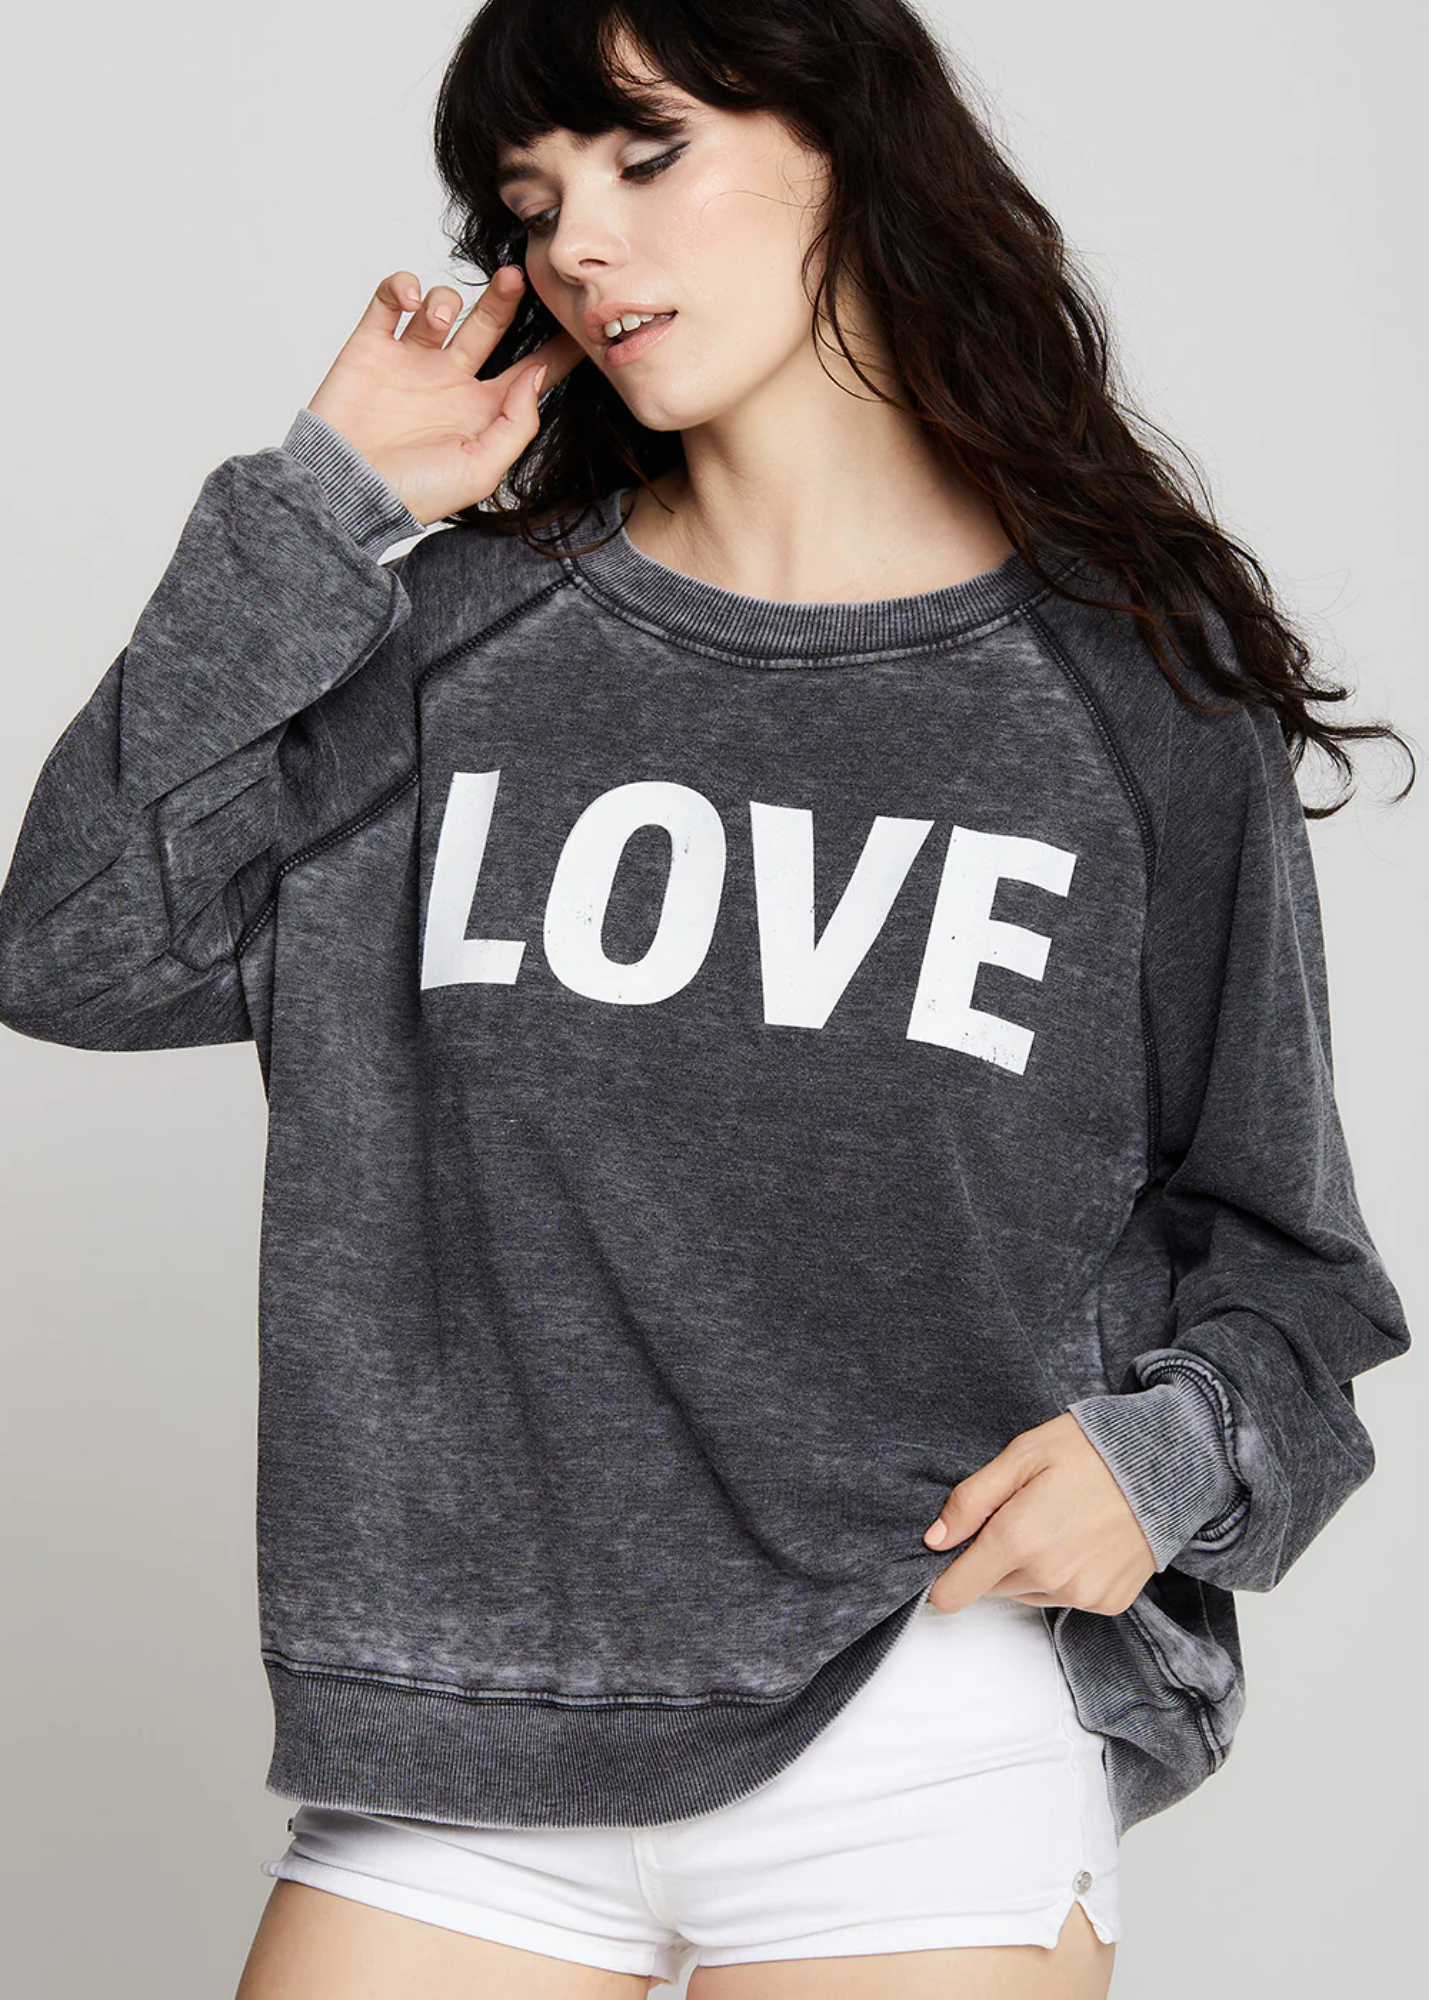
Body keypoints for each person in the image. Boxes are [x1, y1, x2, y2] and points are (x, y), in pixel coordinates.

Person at [0, 3, 1413, 1997]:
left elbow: (1295, 1273)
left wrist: (1171, 1457)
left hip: (923, 1714)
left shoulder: (1128, 694)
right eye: (531, 200)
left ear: (847, 140)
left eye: (645, 151)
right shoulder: (449, 650)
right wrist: (320, 505)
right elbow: (68, 940)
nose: (579, 239)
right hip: (463, 1727)